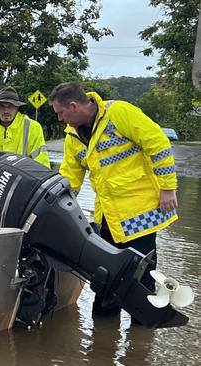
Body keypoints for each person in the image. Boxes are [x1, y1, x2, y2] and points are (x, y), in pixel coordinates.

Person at [48, 82, 178, 315]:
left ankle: (143, 324)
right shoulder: (73, 136)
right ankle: (104, 328)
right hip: (108, 215)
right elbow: (70, 176)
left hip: (140, 213)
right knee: (106, 275)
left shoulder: (119, 113)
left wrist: (167, 188)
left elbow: (157, 143)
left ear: (74, 106)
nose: (59, 119)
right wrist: (56, 207)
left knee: (141, 274)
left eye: (60, 113)